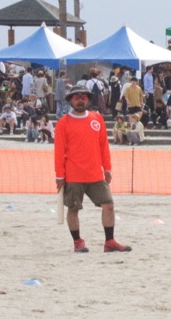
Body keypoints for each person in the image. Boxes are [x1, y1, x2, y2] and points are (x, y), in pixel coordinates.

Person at [54, 84, 130, 254]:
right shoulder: (63, 123)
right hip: (73, 175)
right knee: (73, 209)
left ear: (88, 99)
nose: (80, 100)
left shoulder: (97, 118)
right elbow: (59, 152)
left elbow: (104, 145)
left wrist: (107, 168)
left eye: (83, 97)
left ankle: (110, 242)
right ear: (70, 100)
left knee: (108, 205)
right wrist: (59, 176)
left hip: (96, 174)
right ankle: (78, 242)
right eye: (76, 97)